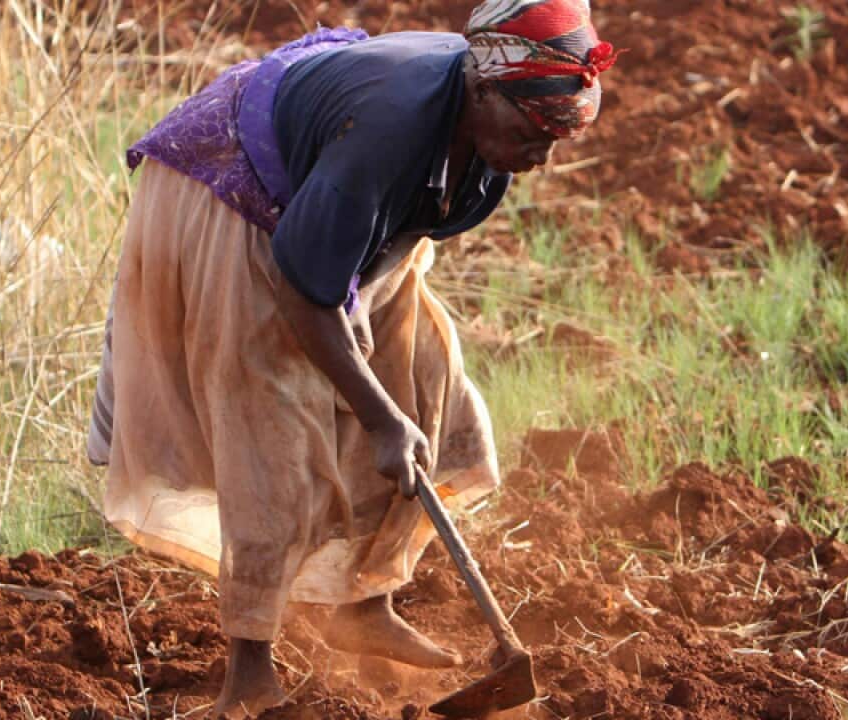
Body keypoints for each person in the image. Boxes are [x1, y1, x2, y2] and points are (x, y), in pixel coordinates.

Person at [86, 0, 618, 715]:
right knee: (274, 421)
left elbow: (381, 240)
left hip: (342, 209)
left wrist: (378, 377)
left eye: (558, 139)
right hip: (244, 192)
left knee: (423, 379)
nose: (543, 157)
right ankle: (249, 669)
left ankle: (362, 604)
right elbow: (304, 288)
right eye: (534, 132)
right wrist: (377, 417)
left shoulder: (486, 139)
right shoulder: (388, 132)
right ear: (484, 91)